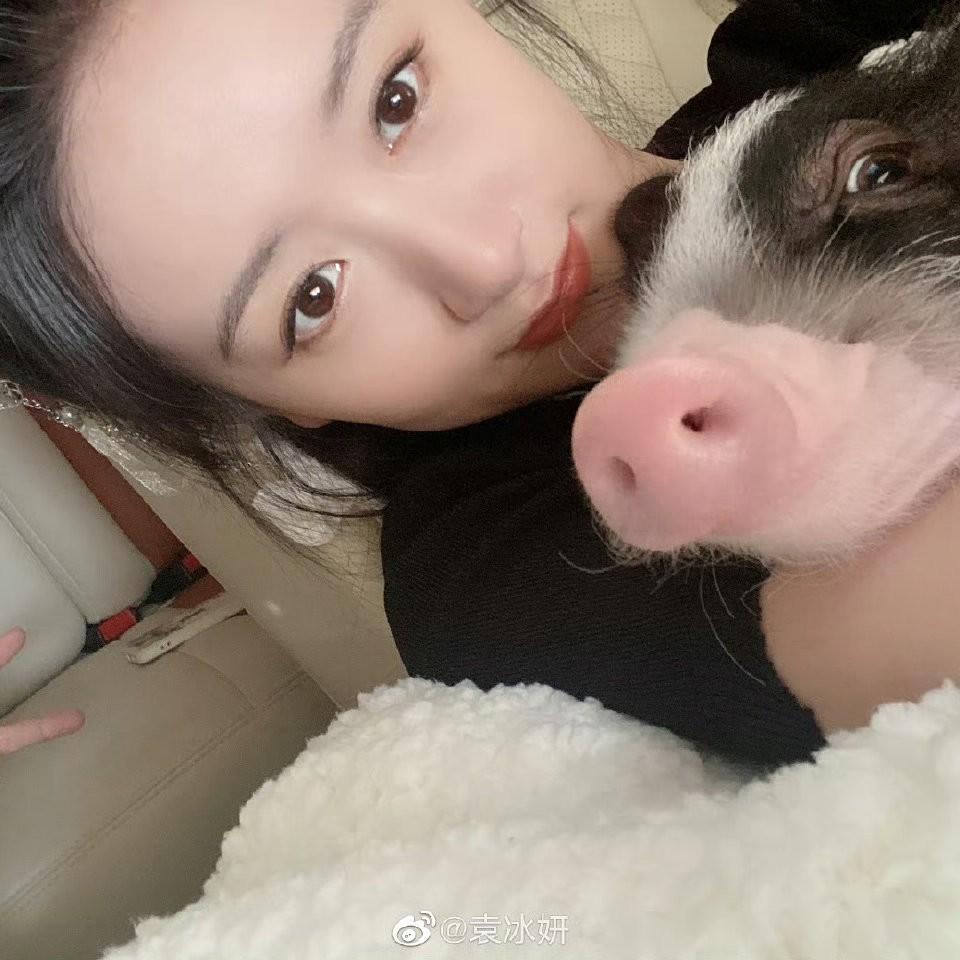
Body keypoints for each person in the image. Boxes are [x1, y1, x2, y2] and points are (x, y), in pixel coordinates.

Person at [0, 0, 948, 768]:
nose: (486, 262)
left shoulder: (814, 44)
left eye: (397, 101)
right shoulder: (492, 566)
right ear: (269, 405)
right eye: (312, 298)